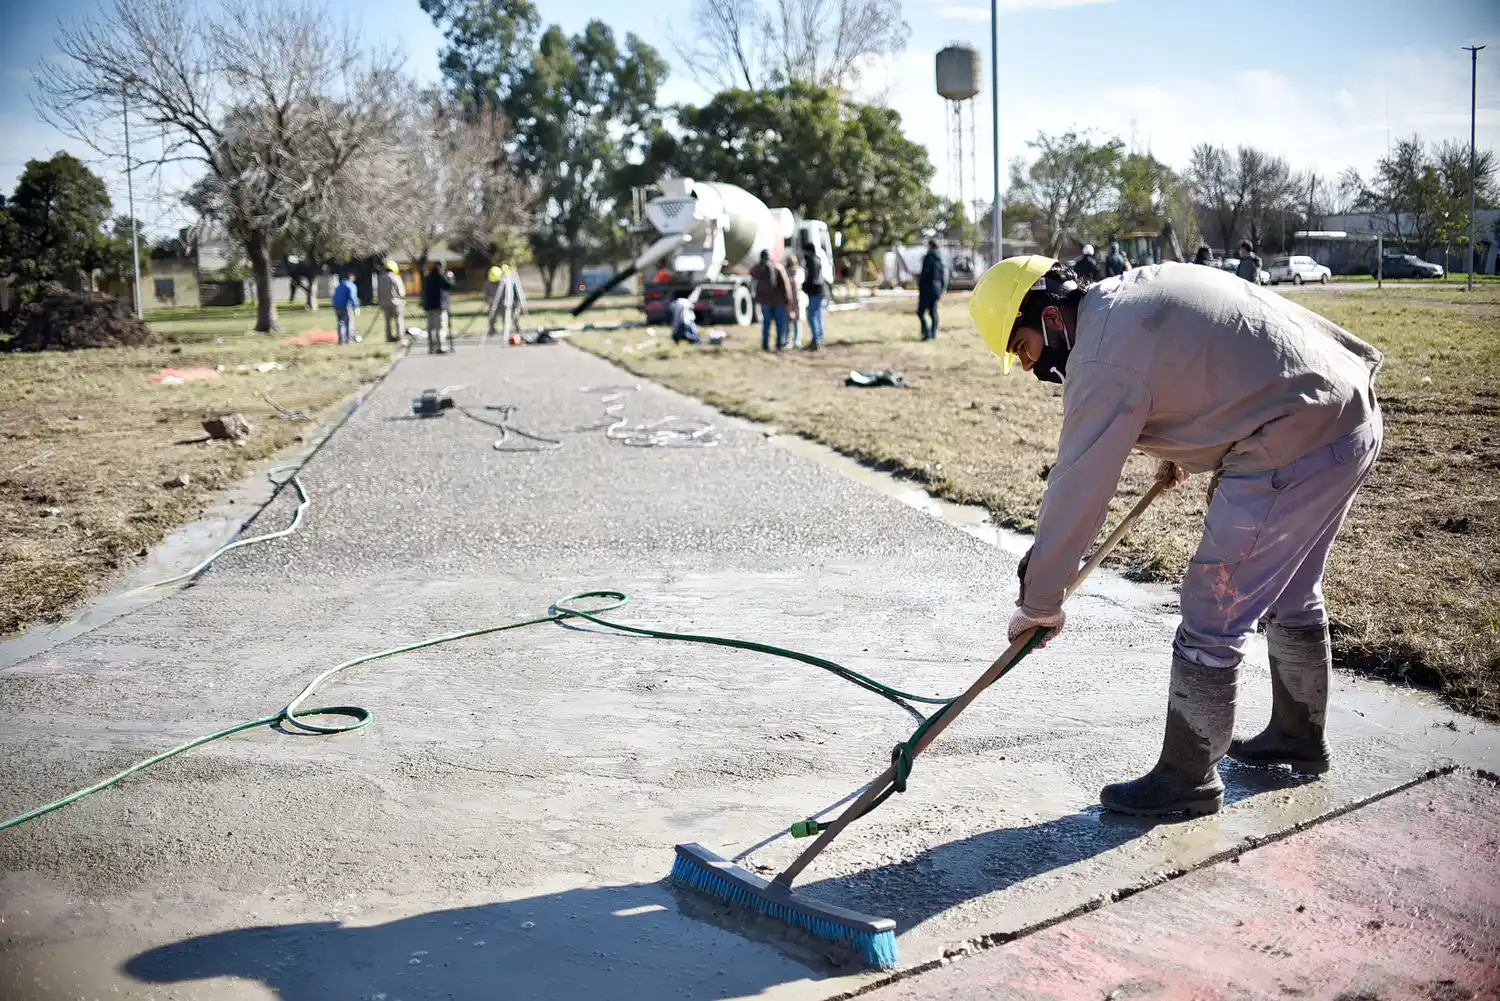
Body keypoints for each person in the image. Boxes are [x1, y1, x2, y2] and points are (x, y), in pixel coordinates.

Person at [970, 256, 1383, 817]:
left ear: (1050, 317)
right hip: (1346, 415)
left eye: (1021, 347)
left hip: (1296, 436)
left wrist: (1038, 601)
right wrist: (1184, 448)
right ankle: (1298, 736)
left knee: (1214, 606)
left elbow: (1080, 487)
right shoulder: (1124, 299)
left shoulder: (1098, 354)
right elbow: (1204, 365)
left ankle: (1187, 777)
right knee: (1292, 591)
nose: (1025, 366)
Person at [751, 249, 792, 352]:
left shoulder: (759, 268)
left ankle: (765, 345)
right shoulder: (778, 267)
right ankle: (779, 345)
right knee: (780, 324)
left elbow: (751, 272)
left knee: (766, 324)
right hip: (779, 301)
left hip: (765, 301)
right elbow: (785, 285)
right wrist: (788, 300)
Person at [421, 261, 455, 355]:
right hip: (438, 306)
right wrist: (450, 277)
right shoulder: (441, 277)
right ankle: (440, 347)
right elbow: (449, 285)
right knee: (439, 327)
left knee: (430, 328)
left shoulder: (427, 278)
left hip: (429, 306)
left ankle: (431, 347)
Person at [917, 239, 948, 341]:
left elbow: (925, 274)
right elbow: (944, 275)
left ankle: (927, 333)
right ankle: (933, 333)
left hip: (927, 288)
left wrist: (920, 285)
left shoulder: (928, 257)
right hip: (937, 288)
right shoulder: (940, 259)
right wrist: (942, 289)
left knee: (921, 312)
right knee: (933, 311)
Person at [802, 242, 827, 350]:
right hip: (821, 291)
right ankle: (819, 340)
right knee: (819, 316)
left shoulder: (811, 261)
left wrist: (805, 287)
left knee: (812, 316)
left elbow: (812, 277)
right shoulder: (817, 259)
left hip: (815, 292)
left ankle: (816, 341)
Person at [377, 260, 405, 343]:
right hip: (396, 302)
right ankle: (399, 336)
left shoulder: (381, 278)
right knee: (398, 320)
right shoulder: (396, 277)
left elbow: (379, 291)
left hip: (384, 302)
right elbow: (401, 292)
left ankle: (389, 338)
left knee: (388, 322)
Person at [331, 272, 359, 345]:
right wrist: (356, 306)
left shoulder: (339, 285)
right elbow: (352, 296)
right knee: (349, 323)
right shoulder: (351, 285)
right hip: (346, 306)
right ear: (351, 277)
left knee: (341, 323)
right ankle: (349, 340)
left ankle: (341, 341)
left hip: (337, 306)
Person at [786, 254, 807, 349]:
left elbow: (798, 283)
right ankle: (788, 341)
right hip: (789, 298)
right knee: (789, 320)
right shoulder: (786, 271)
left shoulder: (799, 271)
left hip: (798, 297)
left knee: (797, 320)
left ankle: (797, 340)